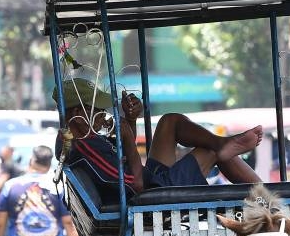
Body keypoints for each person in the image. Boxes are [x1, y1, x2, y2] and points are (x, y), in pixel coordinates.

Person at [53, 79, 264, 193]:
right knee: (209, 152)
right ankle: (270, 202)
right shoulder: (83, 146)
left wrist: (131, 120)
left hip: (151, 181)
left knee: (169, 121)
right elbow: (134, 184)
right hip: (150, 192)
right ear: (78, 115)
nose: (103, 116)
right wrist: (128, 139)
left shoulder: (78, 138)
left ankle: (222, 144)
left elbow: (122, 158)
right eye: (97, 109)